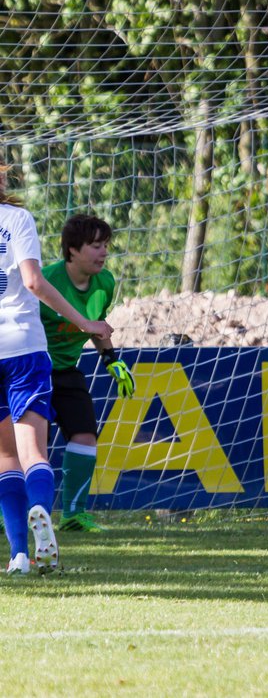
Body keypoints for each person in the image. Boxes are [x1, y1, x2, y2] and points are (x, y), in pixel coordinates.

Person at [0, 165, 112, 574]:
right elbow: (33, 281)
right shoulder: (16, 218)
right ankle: (42, 519)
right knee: (34, 454)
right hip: (24, 348)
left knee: (5, 458)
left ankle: (17, 556)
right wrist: (84, 322)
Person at [40, 214, 136, 534]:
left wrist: (111, 360)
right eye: (95, 246)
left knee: (84, 436)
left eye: (106, 245)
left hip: (66, 370)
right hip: (31, 370)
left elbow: (98, 323)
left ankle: (73, 515)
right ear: (72, 250)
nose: (103, 252)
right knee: (23, 446)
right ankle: (7, 511)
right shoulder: (44, 280)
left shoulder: (105, 282)